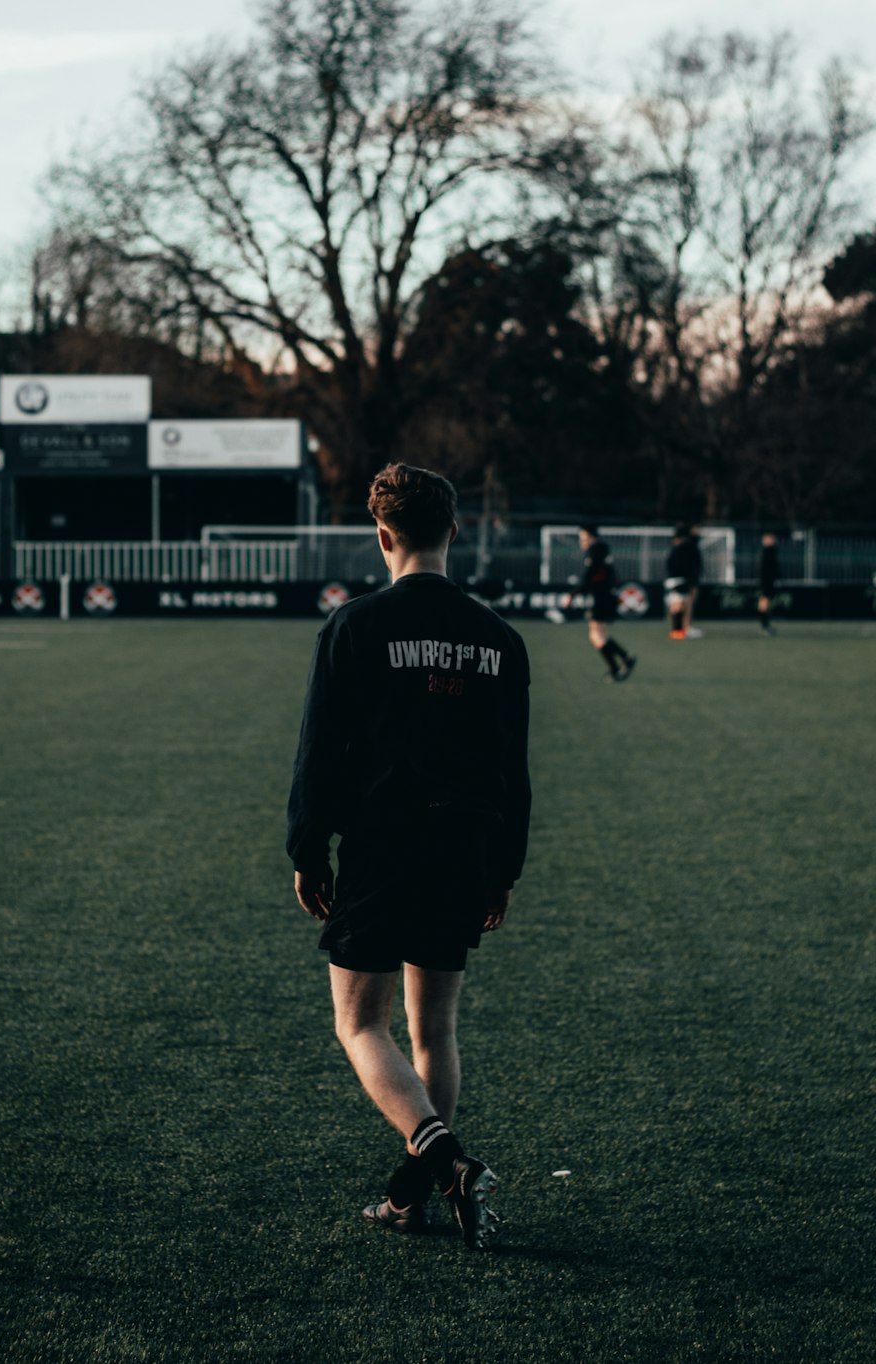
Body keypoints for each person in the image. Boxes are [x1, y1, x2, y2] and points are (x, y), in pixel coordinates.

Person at [287, 462, 531, 1251]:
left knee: (361, 1026)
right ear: (455, 531)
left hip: (383, 844)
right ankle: (407, 1197)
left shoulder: (355, 625)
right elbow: (512, 771)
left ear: (383, 535)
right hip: (465, 848)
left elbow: (320, 753)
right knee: (436, 1031)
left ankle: (447, 1163)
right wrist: (503, 871)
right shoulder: (499, 637)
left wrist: (307, 848)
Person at [572, 526, 636, 681]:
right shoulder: (600, 551)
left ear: (592, 538)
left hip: (602, 598)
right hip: (604, 596)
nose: (582, 542)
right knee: (597, 635)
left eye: (584, 538)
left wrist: (573, 594)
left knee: (596, 636)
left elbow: (590, 576)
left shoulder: (596, 553)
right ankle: (623, 660)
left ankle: (618, 666)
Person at [664, 524, 697, 640]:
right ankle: (677, 631)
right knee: (677, 605)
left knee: (680, 604)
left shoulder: (679, 550)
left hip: (678, 580)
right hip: (676, 581)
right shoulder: (678, 551)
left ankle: (679, 630)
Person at [758, 532, 780, 634]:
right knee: (765, 600)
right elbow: (765, 569)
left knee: (766, 600)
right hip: (766, 581)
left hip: (769, 581)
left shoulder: (771, 551)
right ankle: (764, 623)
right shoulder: (767, 552)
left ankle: (765, 623)